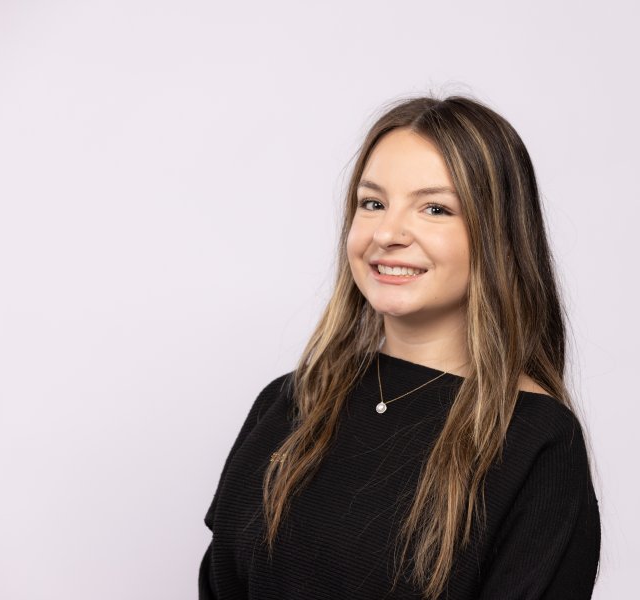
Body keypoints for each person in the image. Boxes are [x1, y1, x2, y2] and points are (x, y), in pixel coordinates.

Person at [198, 95, 601, 599]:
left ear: (498, 235)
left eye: (435, 208)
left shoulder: (535, 441)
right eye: (372, 203)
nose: (387, 233)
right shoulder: (289, 401)